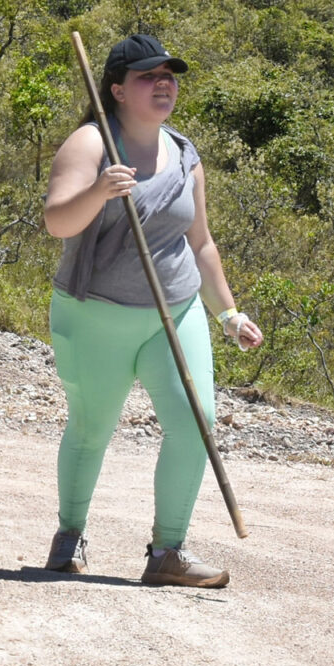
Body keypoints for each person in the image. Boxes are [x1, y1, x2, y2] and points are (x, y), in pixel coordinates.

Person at [42, 33, 263, 588]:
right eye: (148, 76)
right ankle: (69, 537)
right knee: (92, 428)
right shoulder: (91, 144)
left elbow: (200, 242)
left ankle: (168, 551)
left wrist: (228, 314)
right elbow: (57, 222)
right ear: (117, 89)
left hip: (175, 310)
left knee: (197, 422)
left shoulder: (185, 154)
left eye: (169, 76)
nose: (163, 84)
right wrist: (98, 192)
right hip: (96, 312)